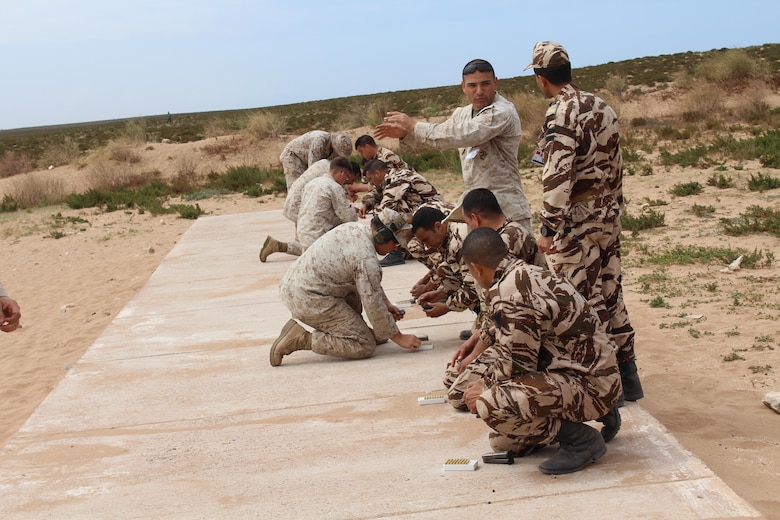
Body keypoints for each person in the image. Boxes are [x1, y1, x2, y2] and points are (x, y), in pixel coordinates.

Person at [526, 41, 643, 403]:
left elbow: (557, 175)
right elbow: (617, 165)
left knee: (581, 301)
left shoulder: (561, 112)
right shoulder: (601, 106)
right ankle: (629, 375)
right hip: (608, 215)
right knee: (611, 293)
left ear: (540, 78)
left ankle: (607, 387)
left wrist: (548, 229)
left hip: (577, 223)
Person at [461, 228, 621, 474]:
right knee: (503, 441)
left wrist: (485, 386)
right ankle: (598, 414)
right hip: (595, 376)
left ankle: (582, 441)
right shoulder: (527, 273)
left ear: (477, 268)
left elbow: (516, 365)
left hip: (591, 385)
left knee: (492, 406)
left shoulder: (510, 293)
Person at [374, 59, 532, 231]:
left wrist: (415, 126)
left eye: (485, 84)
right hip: (476, 210)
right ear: (463, 86)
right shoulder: (462, 114)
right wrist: (407, 135)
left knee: (517, 256)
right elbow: (443, 138)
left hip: (506, 208)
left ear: (495, 82)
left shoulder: (502, 111)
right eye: (472, 85)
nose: (479, 91)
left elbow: (462, 134)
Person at [270, 208, 423, 366]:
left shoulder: (355, 229)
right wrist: (399, 338)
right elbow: (373, 305)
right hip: (308, 299)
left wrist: (387, 305)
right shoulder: (366, 258)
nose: (397, 248)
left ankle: (356, 330)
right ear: (381, 236)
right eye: (396, 243)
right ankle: (299, 339)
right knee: (364, 344)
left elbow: (370, 286)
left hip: (301, 287)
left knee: (357, 292)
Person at [443, 188, 545, 405]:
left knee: (459, 395)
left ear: (475, 218)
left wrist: (475, 354)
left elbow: (501, 311)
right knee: (453, 377)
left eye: (467, 223)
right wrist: (473, 341)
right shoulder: (507, 234)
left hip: (520, 334)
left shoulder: (504, 242)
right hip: (503, 327)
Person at [260, 157, 359, 261]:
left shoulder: (313, 183)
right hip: (318, 238)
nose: (346, 182)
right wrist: (354, 211)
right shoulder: (334, 187)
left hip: (303, 236)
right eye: (347, 178)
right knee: (350, 230)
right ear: (342, 173)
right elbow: (349, 217)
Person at [360, 159, 452, 267]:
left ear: (377, 173)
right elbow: (376, 193)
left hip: (431, 211)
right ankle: (402, 245)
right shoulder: (387, 179)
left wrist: (373, 231)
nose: (370, 183)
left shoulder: (398, 178)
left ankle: (395, 250)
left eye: (370, 179)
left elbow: (386, 208)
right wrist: (367, 204)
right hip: (419, 210)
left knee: (391, 213)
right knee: (388, 212)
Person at [409, 207, 478, 326]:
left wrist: (447, 307)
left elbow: (473, 287)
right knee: (443, 269)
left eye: (427, 240)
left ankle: (487, 317)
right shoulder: (446, 234)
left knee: (483, 338)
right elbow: (448, 269)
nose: (427, 246)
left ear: (438, 226)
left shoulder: (459, 241)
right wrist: (442, 293)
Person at [284, 160, 362, 224]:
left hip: (294, 203)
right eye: (353, 179)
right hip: (299, 205)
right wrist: (352, 211)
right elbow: (346, 214)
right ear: (346, 173)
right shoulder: (332, 181)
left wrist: (347, 195)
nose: (351, 183)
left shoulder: (329, 169)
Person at [279, 130, 353, 190]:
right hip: (293, 156)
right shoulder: (319, 140)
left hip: (305, 159)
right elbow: (313, 169)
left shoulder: (332, 150)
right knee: (297, 188)